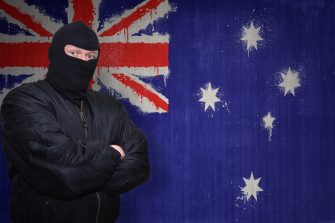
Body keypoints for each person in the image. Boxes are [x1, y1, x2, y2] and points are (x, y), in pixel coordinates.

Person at [0, 21, 150, 223]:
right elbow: (63, 175)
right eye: (74, 53)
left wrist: (86, 177)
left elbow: (139, 163)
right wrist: (113, 154)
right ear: (55, 54)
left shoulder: (110, 106)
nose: (83, 61)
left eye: (90, 56)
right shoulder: (23, 101)